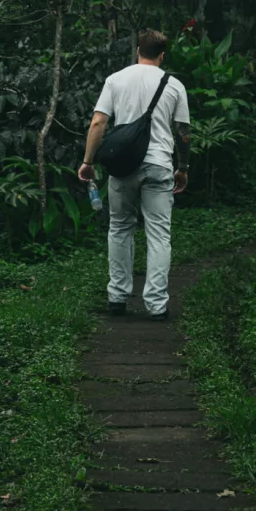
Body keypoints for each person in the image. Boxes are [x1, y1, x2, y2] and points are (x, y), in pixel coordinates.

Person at [78, 28, 191, 319]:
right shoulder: (174, 85)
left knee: (119, 227)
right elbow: (183, 133)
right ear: (162, 55)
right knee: (159, 234)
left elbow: (98, 122)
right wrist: (182, 168)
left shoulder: (115, 79)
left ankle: (117, 298)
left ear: (138, 50)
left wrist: (88, 162)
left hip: (123, 165)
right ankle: (156, 305)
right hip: (159, 165)